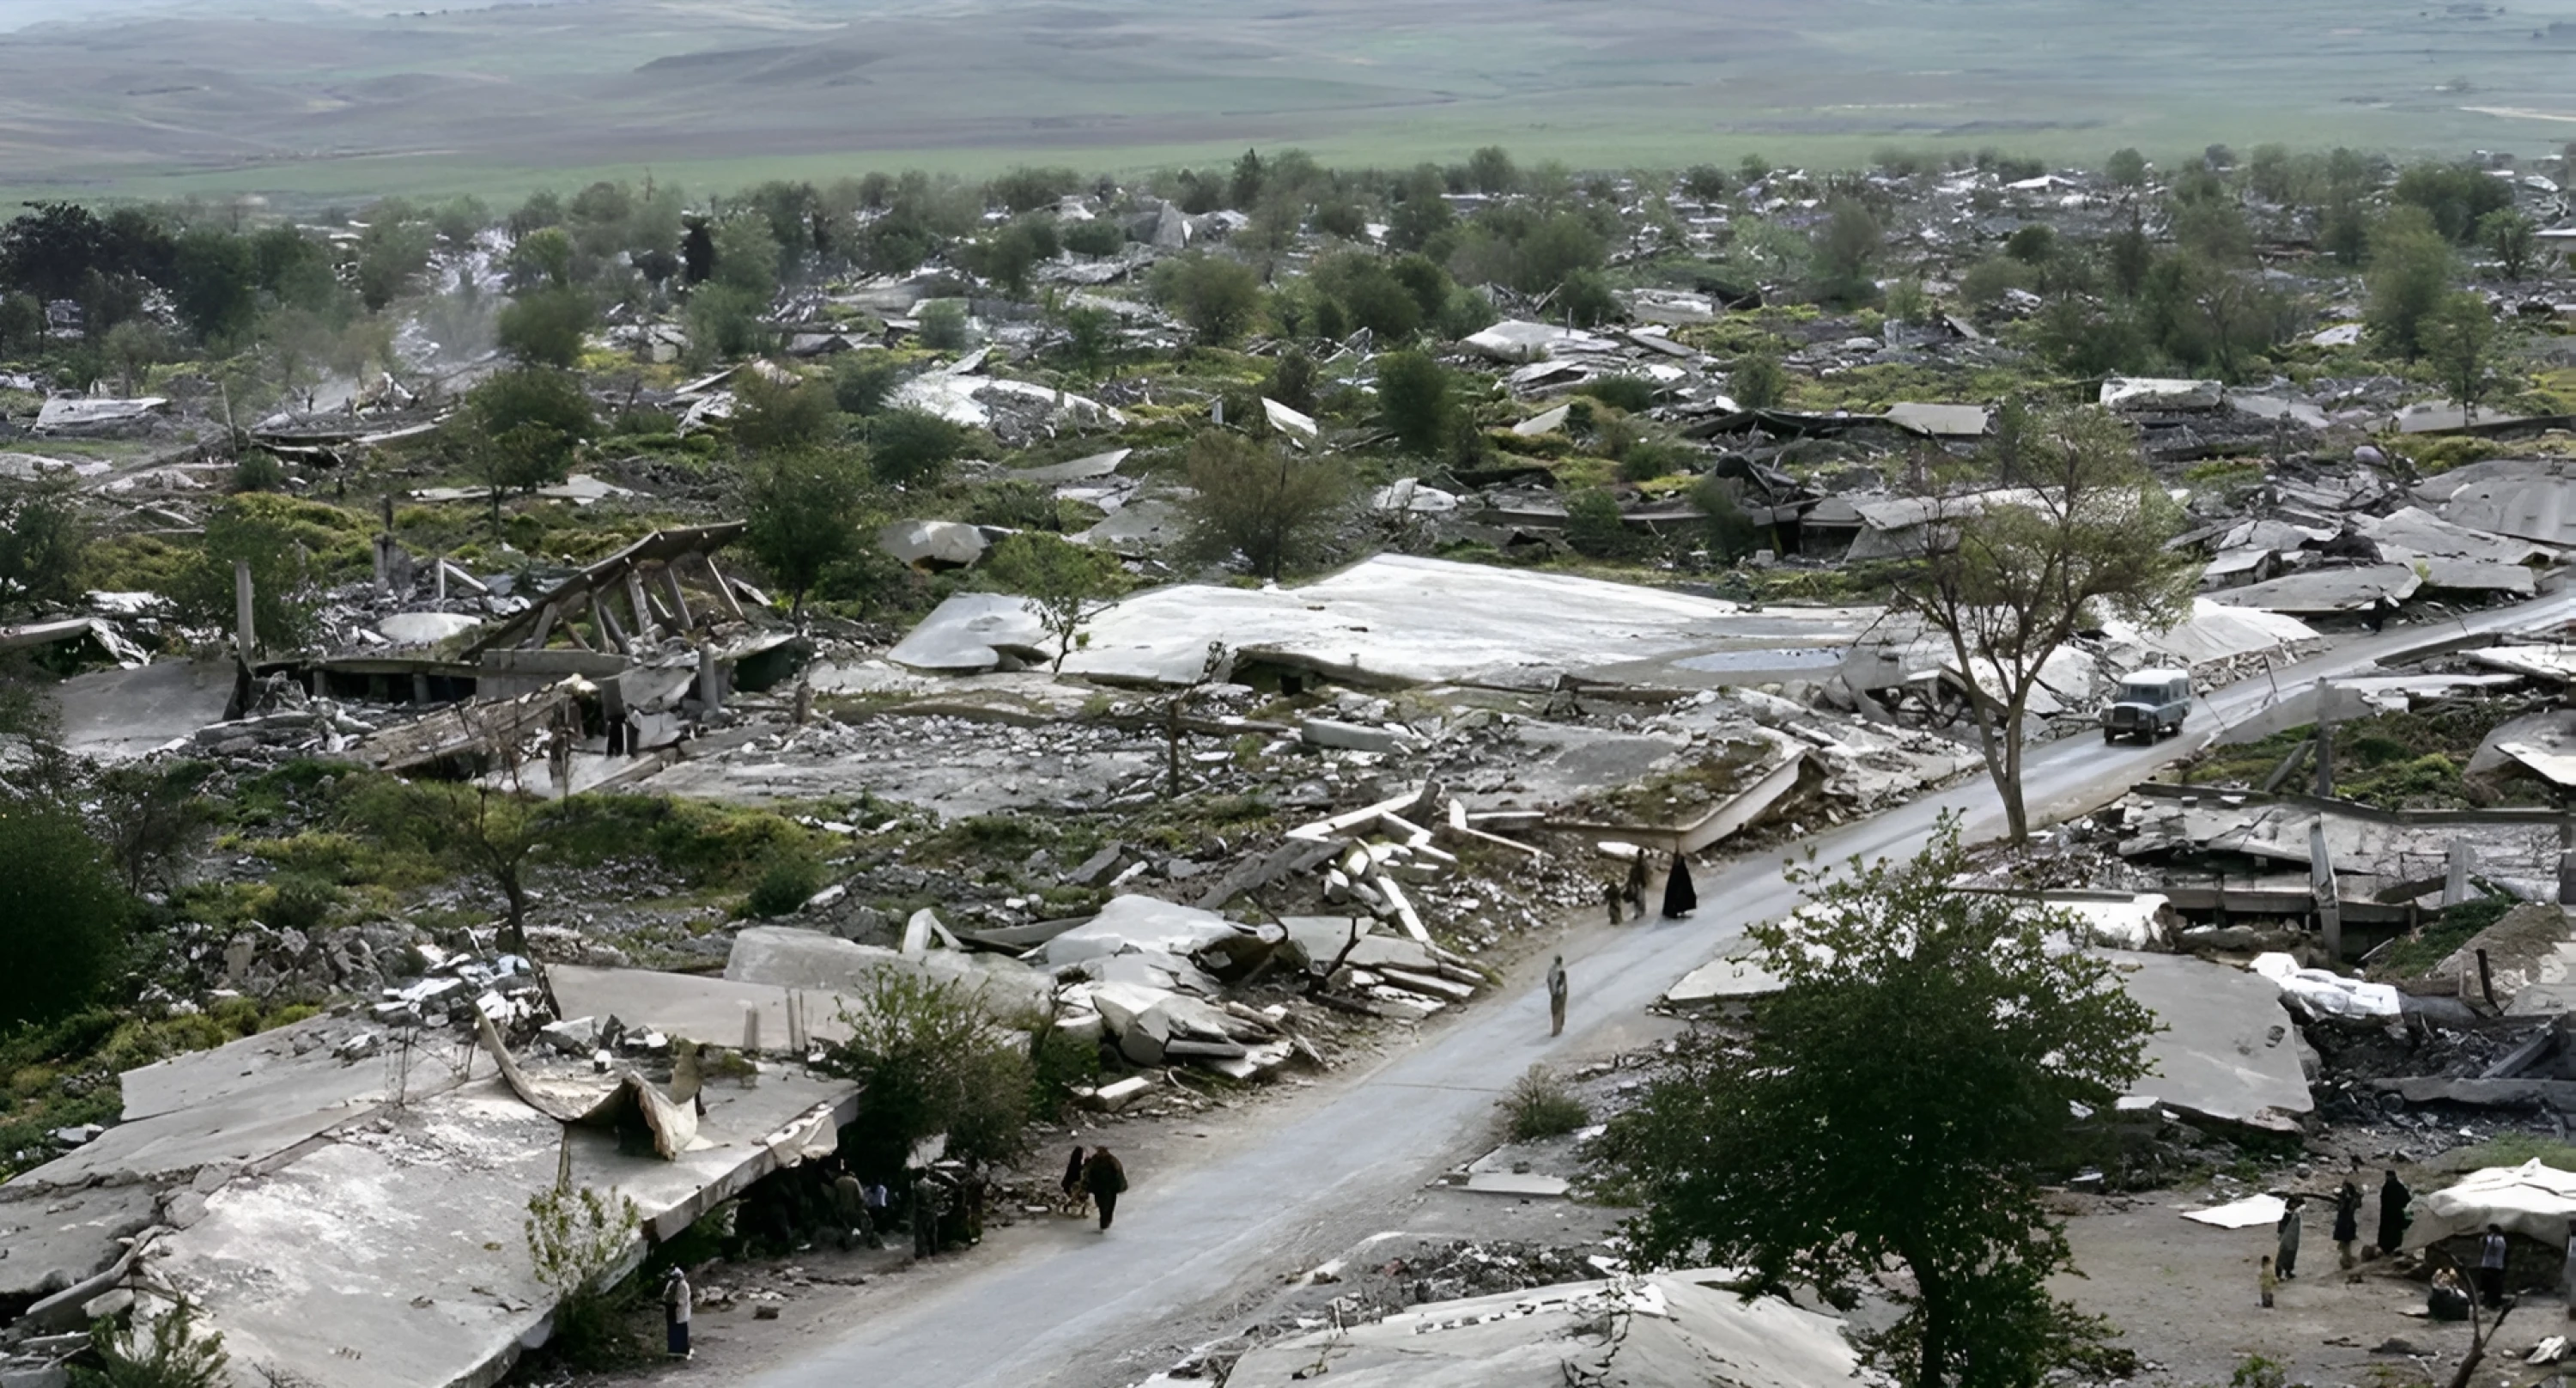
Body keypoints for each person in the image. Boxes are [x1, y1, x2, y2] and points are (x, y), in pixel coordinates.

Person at [1084, 1146, 1128, 1231]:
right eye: (1099, 1151)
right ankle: (1104, 1222)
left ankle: (1106, 1222)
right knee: (1102, 1206)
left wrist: (1120, 1186)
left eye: (1102, 1151)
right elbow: (1088, 1173)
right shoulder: (1094, 1161)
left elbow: (1119, 1174)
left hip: (1110, 1188)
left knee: (1109, 1206)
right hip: (1099, 1188)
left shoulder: (1112, 1161)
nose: (1100, 1153)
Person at [833, 1165, 874, 1251]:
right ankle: (863, 1245)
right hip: (854, 1209)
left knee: (846, 1229)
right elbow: (860, 1197)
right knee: (862, 1228)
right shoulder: (854, 1181)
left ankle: (846, 1247)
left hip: (842, 1210)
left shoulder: (837, 1182)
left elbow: (835, 1198)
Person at [910, 1168, 947, 1259]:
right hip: (932, 1212)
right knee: (932, 1234)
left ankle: (921, 1255)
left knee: (921, 1235)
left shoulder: (917, 1186)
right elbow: (940, 1194)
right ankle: (933, 1253)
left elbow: (915, 1202)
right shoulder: (932, 1184)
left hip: (921, 1213)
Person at [2377, 1168, 2411, 1258]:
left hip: (2393, 1215)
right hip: (2390, 1215)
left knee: (2393, 1233)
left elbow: (2406, 1199)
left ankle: (2393, 1249)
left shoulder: (2394, 1187)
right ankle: (2390, 1249)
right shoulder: (2392, 1186)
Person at [662, 1266, 692, 1360]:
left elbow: (682, 1300)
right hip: (672, 1311)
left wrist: (672, 1303)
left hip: (679, 1311)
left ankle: (682, 1351)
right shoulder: (671, 1284)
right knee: (672, 1331)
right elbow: (666, 1295)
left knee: (680, 1332)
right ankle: (673, 1351)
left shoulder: (683, 1285)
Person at [2333, 1177, 2362, 1270]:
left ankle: (2346, 1261)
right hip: (2345, 1222)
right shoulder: (2346, 1197)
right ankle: (2346, 1260)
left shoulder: (2351, 1199)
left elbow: (2349, 1208)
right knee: (2345, 1243)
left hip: (2346, 1222)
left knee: (2345, 1243)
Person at [2479, 1222, 2510, 1307]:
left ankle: (2494, 1302)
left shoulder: (2499, 1240)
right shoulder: (2491, 1238)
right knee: (2488, 1285)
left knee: (2493, 1285)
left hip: (2494, 1266)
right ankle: (2488, 1300)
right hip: (2489, 1265)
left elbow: (2492, 1249)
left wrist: (2490, 1238)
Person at [1661, 852, 1698, 919]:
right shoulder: (1677, 869)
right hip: (1678, 884)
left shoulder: (1681, 869)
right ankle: (1675, 910)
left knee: (1681, 895)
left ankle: (1680, 909)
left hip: (1681, 885)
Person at [2275, 1196, 2304, 1280]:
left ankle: (2288, 1271)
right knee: (2283, 1254)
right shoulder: (2286, 1215)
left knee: (2291, 1253)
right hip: (2287, 1236)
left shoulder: (2296, 1213)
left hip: (2293, 1237)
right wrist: (2281, 1235)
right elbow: (2282, 1226)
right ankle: (2279, 1274)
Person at [1546, 955, 1569, 1038]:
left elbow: (1548, 980)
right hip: (1560, 993)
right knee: (1560, 1010)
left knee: (1554, 1011)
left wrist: (1552, 991)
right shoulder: (1561, 971)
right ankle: (1558, 1028)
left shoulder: (1551, 970)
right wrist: (1559, 991)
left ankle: (1555, 1028)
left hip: (1553, 993)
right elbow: (1561, 982)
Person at [1061, 1145, 1088, 1214]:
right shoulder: (1079, 1167)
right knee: (1082, 1196)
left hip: (1067, 1186)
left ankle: (1068, 1207)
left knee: (1075, 1198)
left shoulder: (1072, 1164)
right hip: (1074, 1186)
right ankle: (1082, 1210)